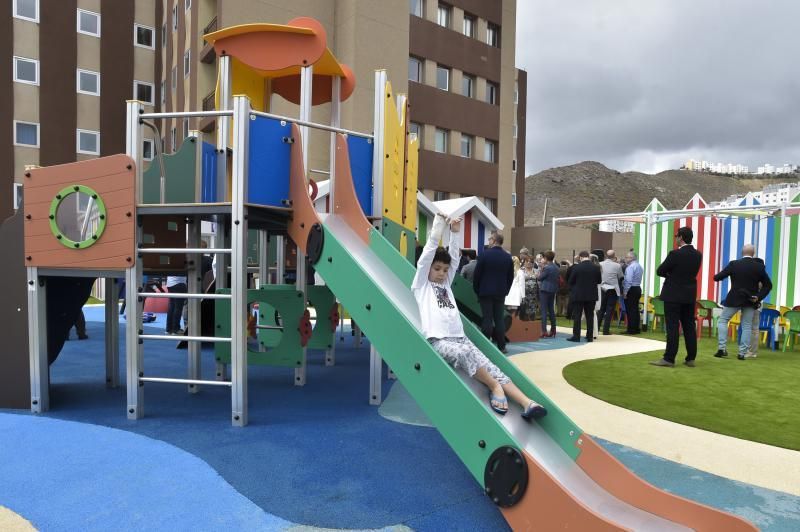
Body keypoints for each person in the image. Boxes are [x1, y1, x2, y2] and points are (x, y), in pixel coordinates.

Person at [412, 214, 547, 420]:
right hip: (438, 341)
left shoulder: (446, 285)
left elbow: (455, 258)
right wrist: (439, 226)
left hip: (460, 338)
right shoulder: (422, 286)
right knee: (465, 353)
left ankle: (526, 402)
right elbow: (427, 256)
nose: (441, 273)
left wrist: (455, 233)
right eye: (437, 269)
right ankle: (495, 387)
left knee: (493, 367)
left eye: (445, 270)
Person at [650, 226, 702, 367]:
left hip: (673, 294)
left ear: (681, 237)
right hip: (689, 294)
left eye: (676, 236)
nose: (676, 239)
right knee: (689, 326)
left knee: (672, 327)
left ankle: (669, 358)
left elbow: (660, 270)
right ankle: (691, 358)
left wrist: (671, 275)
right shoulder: (698, 254)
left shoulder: (674, 254)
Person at [713, 244, 772, 360]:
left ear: (742, 252)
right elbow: (768, 285)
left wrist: (718, 276)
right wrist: (758, 297)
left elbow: (718, 277)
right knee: (747, 326)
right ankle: (742, 353)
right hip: (751, 300)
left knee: (723, 320)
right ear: (753, 253)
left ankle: (722, 348)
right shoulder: (759, 267)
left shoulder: (734, 264)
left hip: (734, 298)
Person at [473, 231, 514, 353]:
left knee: (487, 319)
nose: (489, 241)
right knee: (499, 319)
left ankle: (485, 347)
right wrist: (505, 290)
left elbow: (477, 276)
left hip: (485, 291)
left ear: (494, 240)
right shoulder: (508, 257)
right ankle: (502, 346)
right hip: (500, 292)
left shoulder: (484, 255)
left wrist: (477, 290)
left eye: (490, 239)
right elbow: (510, 277)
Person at [566, 251, 601, 342]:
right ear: (588, 257)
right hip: (591, 295)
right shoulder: (596, 267)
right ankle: (589, 336)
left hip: (578, 295)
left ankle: (576, 336)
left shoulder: (577, 267)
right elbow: (599, 281)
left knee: (577, 316)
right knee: (590, 316)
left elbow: (571, 281)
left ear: (581, 257)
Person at [597, 250, 624, 335]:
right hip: (612, 289)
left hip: (602, 288)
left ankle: (596, 328)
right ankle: (606, 330)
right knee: (610, 310)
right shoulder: (617, 265)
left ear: (606, 255)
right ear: (614, 256)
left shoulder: (600, 264)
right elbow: (621, 277)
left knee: (601, 309)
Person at [538, 251, 560, 337]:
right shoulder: (556, 267)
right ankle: (553, 329)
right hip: (553, 290)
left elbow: (540, 278)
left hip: (544, 290)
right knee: (551, 310)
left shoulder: (547, 268)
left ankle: (543, 331)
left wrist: (541, 269)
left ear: (546, 258)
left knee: (543, 311)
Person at [622, 251, 643, 334]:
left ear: (632, 258)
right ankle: (636, 328)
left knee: (630, 310)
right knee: (635, 309)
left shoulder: (630, 267)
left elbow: (628, 281)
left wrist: (625, 292)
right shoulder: (639, 266)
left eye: (627, 257)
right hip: (637, 288)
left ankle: (631, 329)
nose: (626, 258)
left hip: (631, 289)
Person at [518, 257, 540, 322]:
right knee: (524, 311)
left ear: (533, 263)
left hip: (534, 296)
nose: (528, 263)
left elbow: (539, 281)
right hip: (524, 295)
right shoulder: (521, 270)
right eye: (527, 261)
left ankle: (532, 326)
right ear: (524, 262)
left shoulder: (536, 270)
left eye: (530, 261)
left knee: (533, 312)